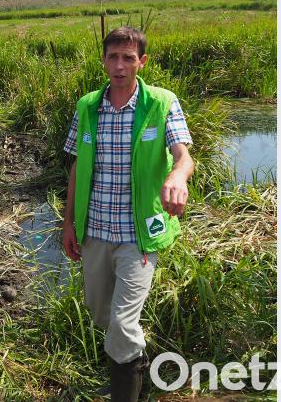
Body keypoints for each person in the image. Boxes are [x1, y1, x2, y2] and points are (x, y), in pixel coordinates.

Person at [61, 26, 195, 401]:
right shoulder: (87, 106)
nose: (119, 66)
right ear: (103, 60)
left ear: (142, 62)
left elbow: (184, 155)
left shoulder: (162, 103)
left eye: (128, 58)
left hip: (139, 235)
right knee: (102, 314)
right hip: (95, 231)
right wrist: (69, 222)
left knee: (121, 325)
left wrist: (177, 176)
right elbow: (76, 168)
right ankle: (134, 362)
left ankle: (126, 388)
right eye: (113, 57)